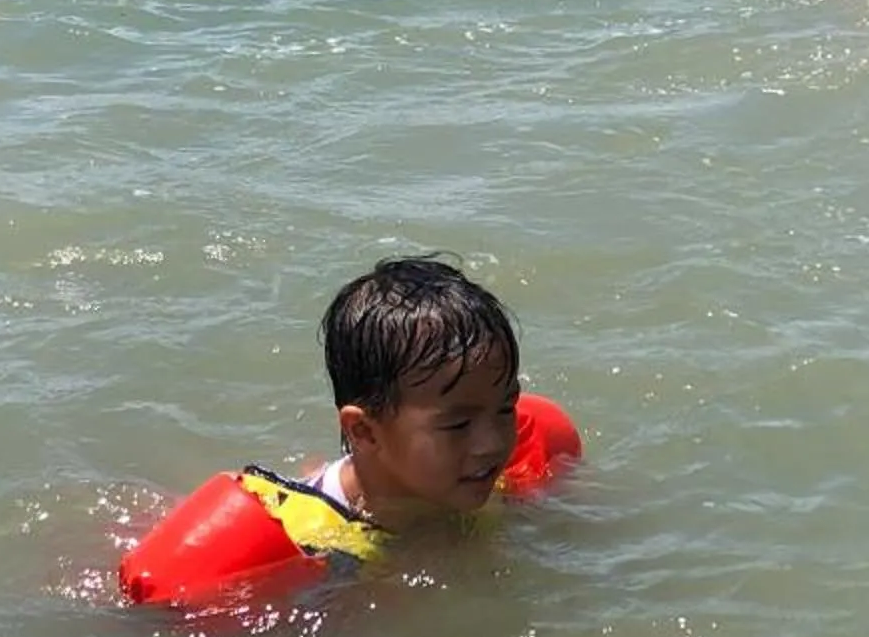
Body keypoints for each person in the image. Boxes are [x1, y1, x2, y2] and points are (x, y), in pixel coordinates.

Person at [118, 257, 580, 610]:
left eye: (504, 409)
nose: (494, 443)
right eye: (458, 424)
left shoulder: (502, 476)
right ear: (364, 430)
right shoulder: (318, 554)